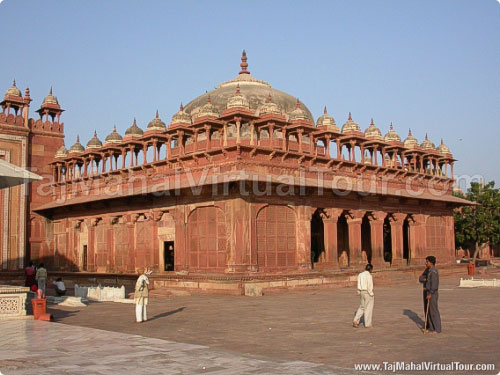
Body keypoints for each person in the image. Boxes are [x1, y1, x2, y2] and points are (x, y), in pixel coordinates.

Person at [419, 256, 441, 334]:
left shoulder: (433, 271)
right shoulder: (427, 270)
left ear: (431, 263)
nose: (426, 263)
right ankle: (430, 326)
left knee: (433, 310)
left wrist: (430, 293)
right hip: (426, 291)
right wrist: (425, 279)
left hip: (432, 293)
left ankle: (437, 328)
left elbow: (434, 284)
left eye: (427, 262)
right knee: (427, 310)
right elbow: (421, 278)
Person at [353, 263, 375, 328]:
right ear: (370, 269)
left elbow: (358, 284)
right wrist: (371, 294)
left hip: (362, 291)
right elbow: (370, 286)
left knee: (362, 307)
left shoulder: (360, 274)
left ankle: (355, 320)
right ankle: (368, 324)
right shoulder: (369, 275)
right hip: (367, 292)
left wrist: (359, 291)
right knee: (368, 308)